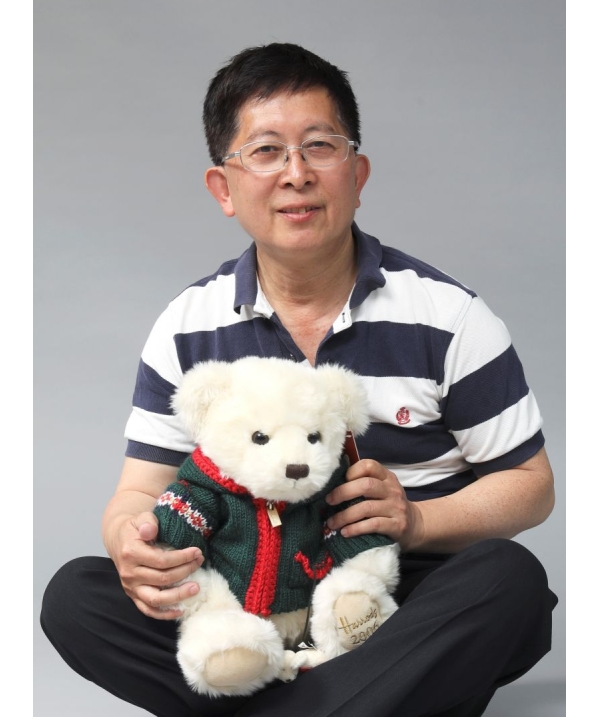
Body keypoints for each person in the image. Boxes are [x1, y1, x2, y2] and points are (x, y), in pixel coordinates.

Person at [41, 42, 557, 717]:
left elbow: (530, 485)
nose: (296, 174)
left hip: (389, 595)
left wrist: (416, 520)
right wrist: (130, 546)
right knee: (76, 597)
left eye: (319, 146)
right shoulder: (187, 326)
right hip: (243, 596)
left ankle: (318, 694)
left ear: (357, 172)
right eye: (265, 151)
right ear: (223, 188)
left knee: (509, 582)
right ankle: (371, 699)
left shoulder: (448, 315)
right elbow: (139, 491)